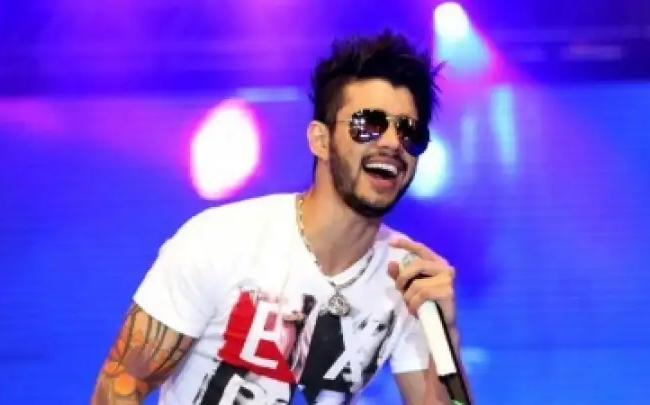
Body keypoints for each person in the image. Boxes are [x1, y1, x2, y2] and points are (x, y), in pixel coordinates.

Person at [91, 30, 468, 405]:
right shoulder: (220, 241)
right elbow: (120, 386)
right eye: (368, 124)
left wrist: (446, 334)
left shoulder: (405, 277)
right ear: (320, 140)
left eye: (408, 131)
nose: (391, 142)